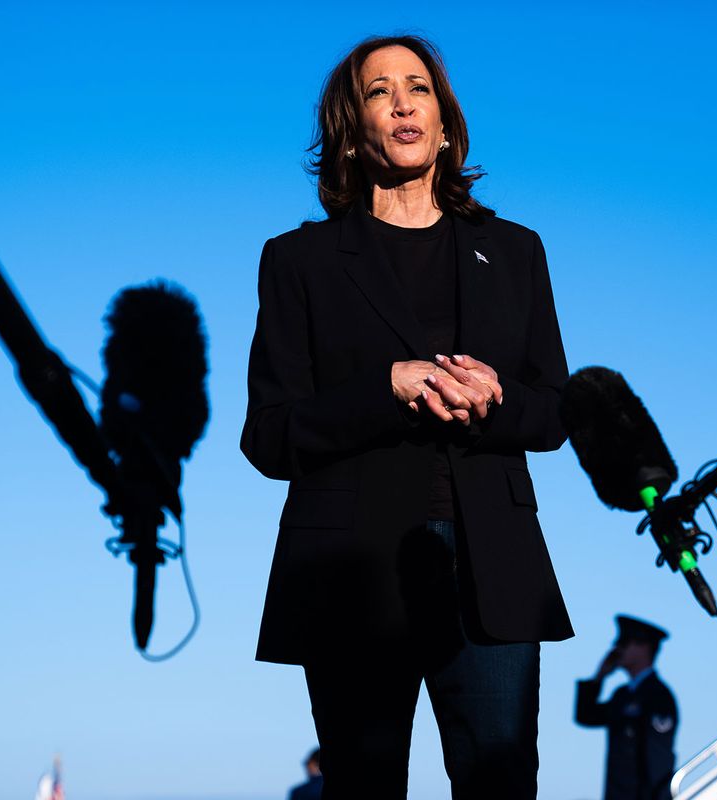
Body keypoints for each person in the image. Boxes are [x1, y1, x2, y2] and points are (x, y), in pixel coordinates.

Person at [240, 34, 572, 799]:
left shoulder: (517, 251)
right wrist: (385, 386)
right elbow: (269, 435)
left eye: (417, 87)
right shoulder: (298, 261)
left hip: (493, 565)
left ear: (445, 122)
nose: (400, 102)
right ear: (352, 128)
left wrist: (494, 395)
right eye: (377, 90)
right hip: (352, 569)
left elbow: (553, 411)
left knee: (501, 783)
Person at [574, 615, 678, 800]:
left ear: (644, 647)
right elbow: (586, 716)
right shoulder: (622, 695)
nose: (617, 650)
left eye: (624, 643)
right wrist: (599, 677)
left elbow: (657, 760)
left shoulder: (658, 696)